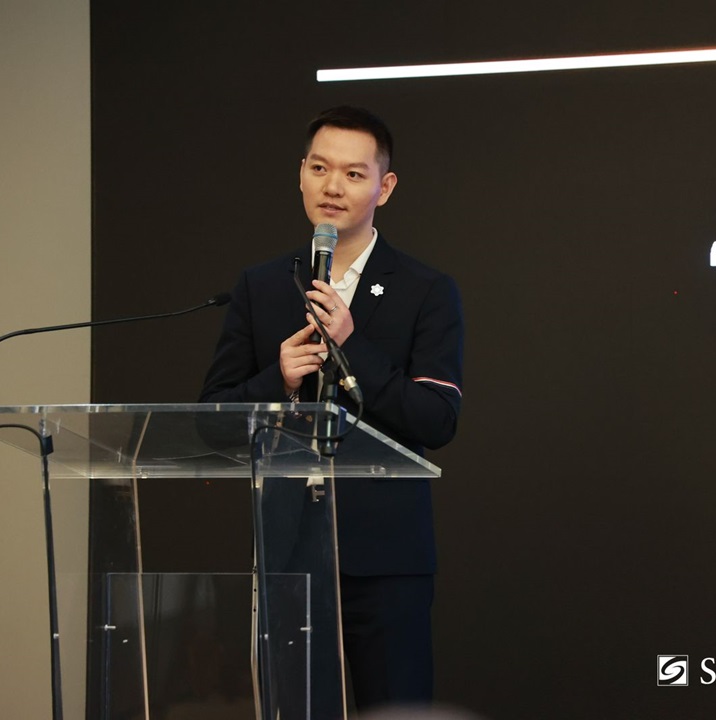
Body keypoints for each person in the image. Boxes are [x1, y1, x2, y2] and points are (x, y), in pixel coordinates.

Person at [200, 106, 464, 718]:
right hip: (288, 553)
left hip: (387, 558)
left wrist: (352, 346)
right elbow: (210, 419)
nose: (332, 187)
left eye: (353, 173)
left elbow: (437, 418)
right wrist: (278, 379)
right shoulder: (262, 285)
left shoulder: (425, 289)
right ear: (300, 174)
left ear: (384, 187)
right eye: (319, 169)